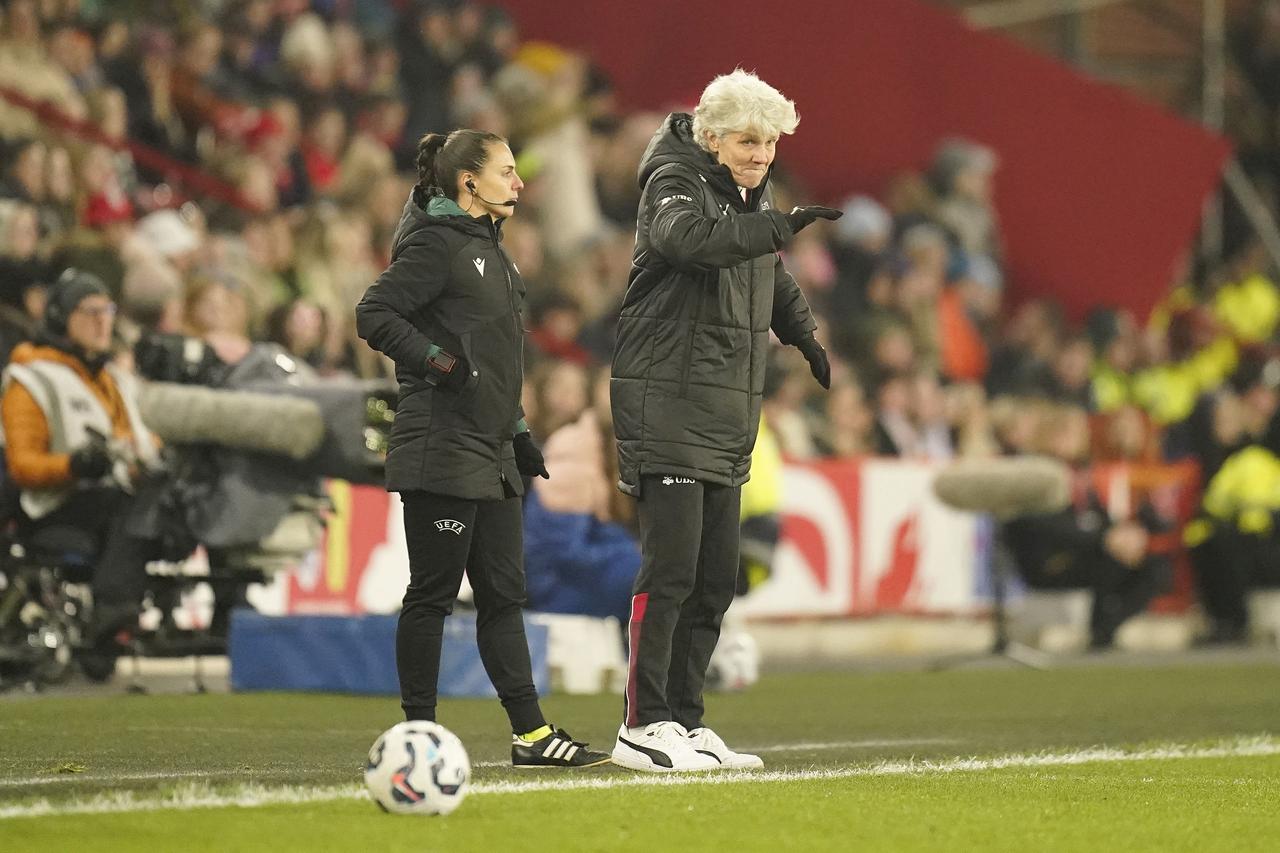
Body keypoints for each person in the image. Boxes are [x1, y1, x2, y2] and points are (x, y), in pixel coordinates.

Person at [355, 129, 608, 768]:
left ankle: (532, 735)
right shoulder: (437, 244)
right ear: (468, 182)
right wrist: (438, 363)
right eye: (507, 171)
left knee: (502, 596)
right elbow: (375, 313)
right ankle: (419, 735)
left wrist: (518, 433)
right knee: (432, 594)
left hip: (490, 449)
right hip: (441, 442)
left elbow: (494, 360)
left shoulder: (493, 251)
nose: (519, 183)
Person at [609, 70, 837, 772]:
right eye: (747, 140)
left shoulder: (741, 193)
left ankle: (684, 718)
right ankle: (642, 724)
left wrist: (802, 334)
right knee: (671, 569)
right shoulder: (671, 183)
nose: (761, 153)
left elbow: (762, 272)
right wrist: (770, 225)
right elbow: (691, 243)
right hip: (669, 403)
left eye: (769, 141)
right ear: (710, 137)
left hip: (725, 408)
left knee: (714, 578)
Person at [0, 269, 163, 660]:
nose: (102, 320)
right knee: (130, 505)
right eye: (88, 311)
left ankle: (228, 604)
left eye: (106, 310)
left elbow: (142, 439)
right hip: (53, 505)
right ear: (60, 317)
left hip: (110, 497)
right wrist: (73, 465)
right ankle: (112, 609)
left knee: (168, 495)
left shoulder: (116, 381)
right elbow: (22, 466)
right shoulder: (31, 378)